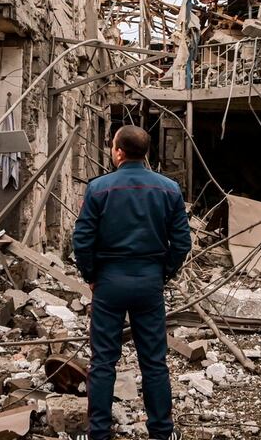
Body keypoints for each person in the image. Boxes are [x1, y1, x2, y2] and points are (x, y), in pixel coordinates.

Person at [72, 125, 191, 440]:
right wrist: (163, 273)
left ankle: (99, 433)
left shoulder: (99, 188)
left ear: (119, 151)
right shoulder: (169, 189)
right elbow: (181, 243)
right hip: (149, 281)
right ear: (146, 152)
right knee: (154, 362)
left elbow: (81, 240)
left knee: (103, 362)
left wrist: (92, 275)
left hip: (109, 282)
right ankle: (161, 432)